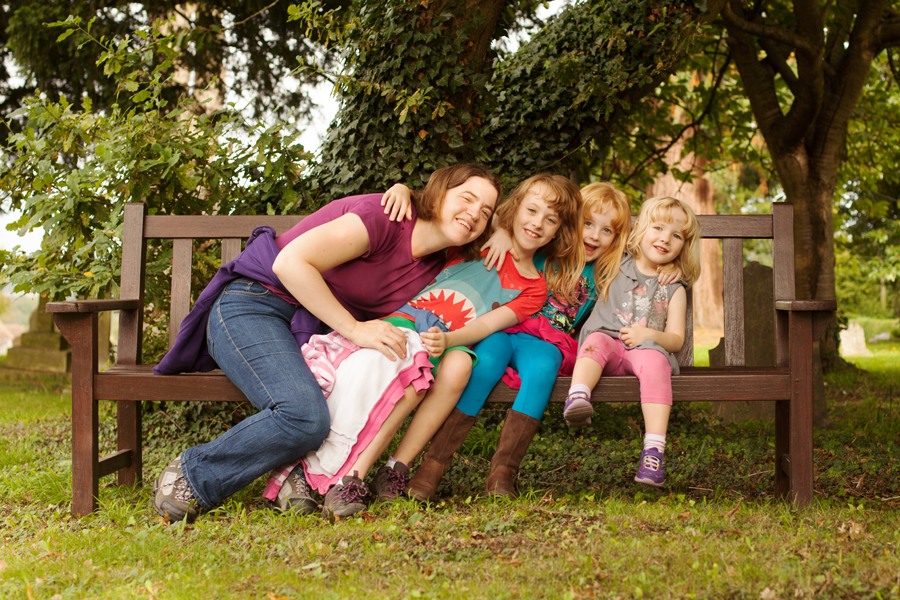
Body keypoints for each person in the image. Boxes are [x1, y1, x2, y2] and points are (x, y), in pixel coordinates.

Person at [150, 164, 502, 523]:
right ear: (440, 192)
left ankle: (297, 477)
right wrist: (354, 328)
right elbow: (290, 263)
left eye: (486, 211)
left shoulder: (434, 267)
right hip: (255, 303)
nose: (474, 213)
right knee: (303, 417)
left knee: (365, 373)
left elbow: (515, 250)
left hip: (314, 331)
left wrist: (502, 235)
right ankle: (193, 473)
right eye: (467, 198)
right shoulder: (382, 217)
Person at [264, 173, 583, 518]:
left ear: (558, 231)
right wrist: (402, 189)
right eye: (531, 210)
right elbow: (436, 214)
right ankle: (351, 475)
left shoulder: (534, 287)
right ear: (515, 208)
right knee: (418, 362)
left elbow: (489, 323)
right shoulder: (478, 235)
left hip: (453, 338)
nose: (536, 223)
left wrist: (449, 340)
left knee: (458, 364)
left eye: (550, 220)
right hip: (411, 322)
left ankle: (396, 468)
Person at [404, 183, 676, 500]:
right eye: (587, 223)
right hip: (503, 329)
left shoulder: (609, 269)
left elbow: (647, 260)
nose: (594, 236)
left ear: (616, 240)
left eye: (607, 231)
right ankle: (432, 466)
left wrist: (668, 268)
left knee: (545, 367)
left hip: (548, 342)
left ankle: (503, 473)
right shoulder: (546, 251)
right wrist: (502, 232)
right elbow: (505, 222)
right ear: (570, 222)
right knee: (486, 362)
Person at [565, 196, 701, 488]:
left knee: (656, 361)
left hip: (644, 352)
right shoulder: (615, 261)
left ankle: (654, 453)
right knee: (596, 340)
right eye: (658, 228)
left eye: (676, 235)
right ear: (641, 230)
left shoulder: (674, 288)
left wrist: (648, 335)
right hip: (607, 346)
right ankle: (577, 397)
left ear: (683, 246)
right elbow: (590, 237)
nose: (665, 238)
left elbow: (676, 340)